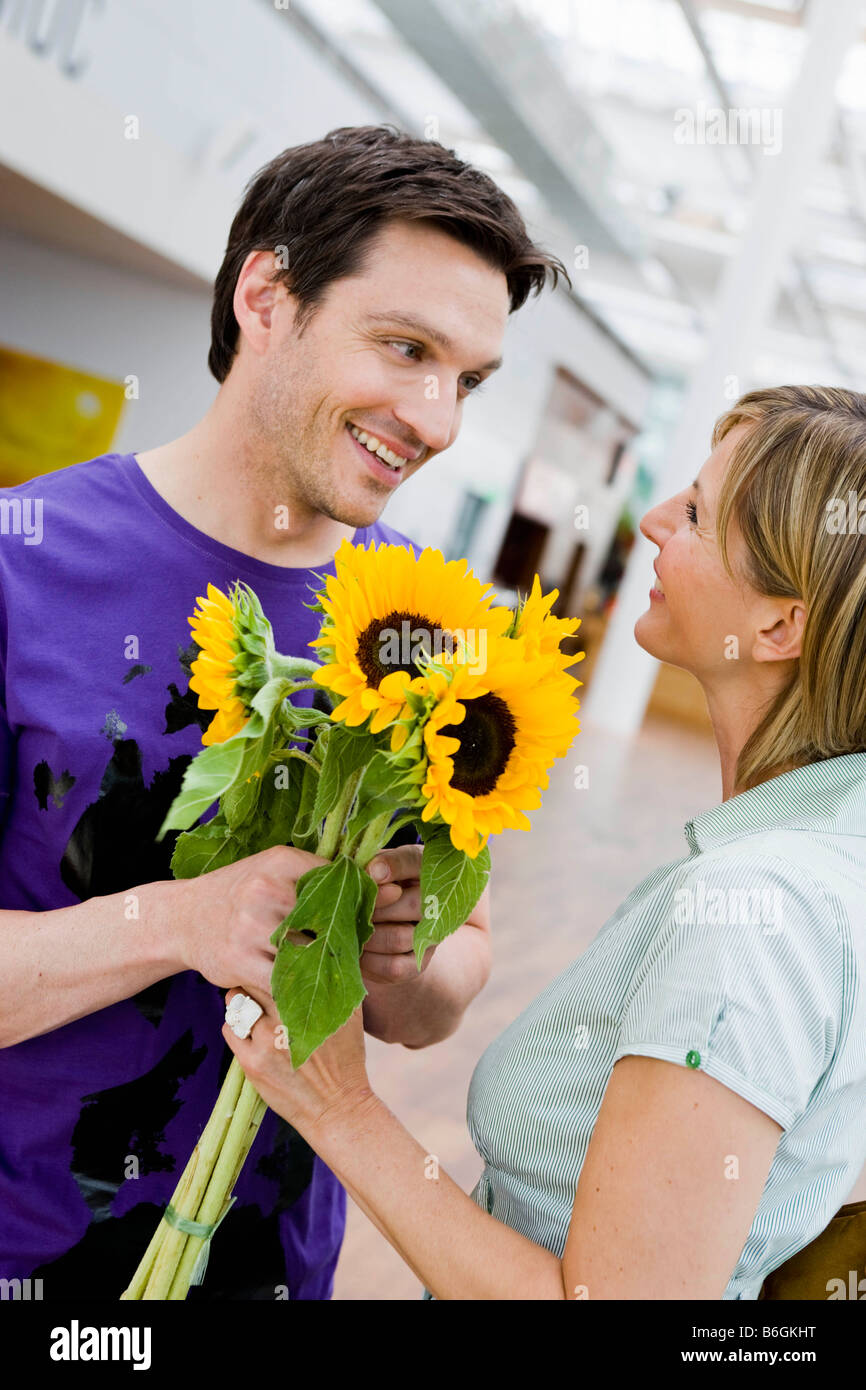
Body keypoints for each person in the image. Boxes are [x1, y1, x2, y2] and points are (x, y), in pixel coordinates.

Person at [0, 124, 566, 1299]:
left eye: (465, 379)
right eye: (403, 347)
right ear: (267, 293)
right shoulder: (24, 570)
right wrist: (180, 921)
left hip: (272, 1268)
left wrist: (405, 968)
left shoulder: (435, 632)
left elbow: (452, 975)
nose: (436, 419)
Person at [223, 385, 866, 1299]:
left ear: (779, 624)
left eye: (693, 512)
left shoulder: (761, 910)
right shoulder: (837, 844)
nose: (649, 522)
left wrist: (337, 1104)